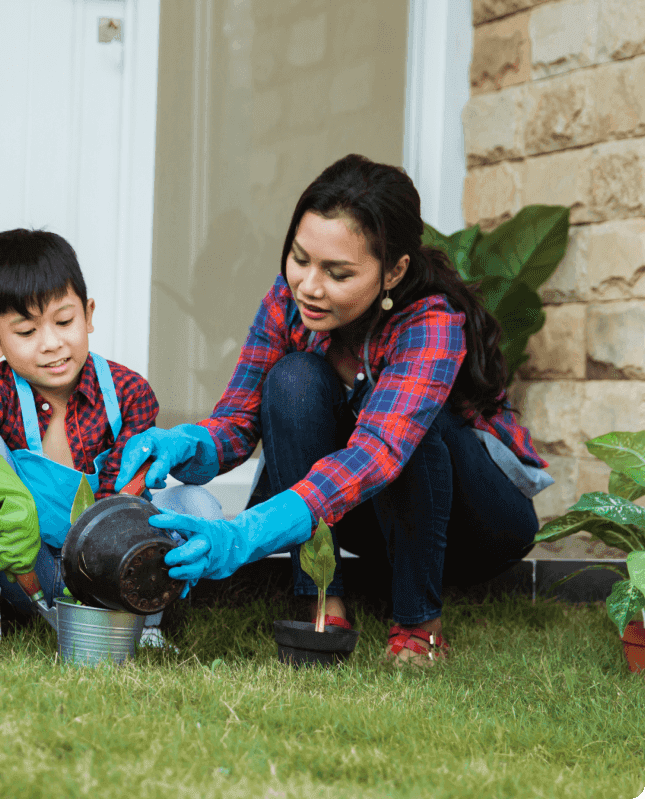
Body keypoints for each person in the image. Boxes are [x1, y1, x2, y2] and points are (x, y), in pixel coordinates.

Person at [119, 155, 552, 664]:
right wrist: (182, 446)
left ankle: (419, 625)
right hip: (372, 516)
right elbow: (238, 422)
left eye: (337, 272)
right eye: (300, 259)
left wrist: (245, 534)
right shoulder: (290, 302)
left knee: (415, 426)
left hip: (475, 525)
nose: (309, 285)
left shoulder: (429, 323)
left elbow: (378, 454)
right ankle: (323, 605)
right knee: (292, 380)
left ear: (394, 271)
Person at [0, 229, 222, 649]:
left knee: (198, 505)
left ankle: (140, 617)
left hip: (111, 569)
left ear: (88, 314)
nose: (52, 343)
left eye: (64, 321)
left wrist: (113, 570)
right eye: (26, 332)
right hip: (26, 566)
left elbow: (125, 499)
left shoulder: (129, 393)